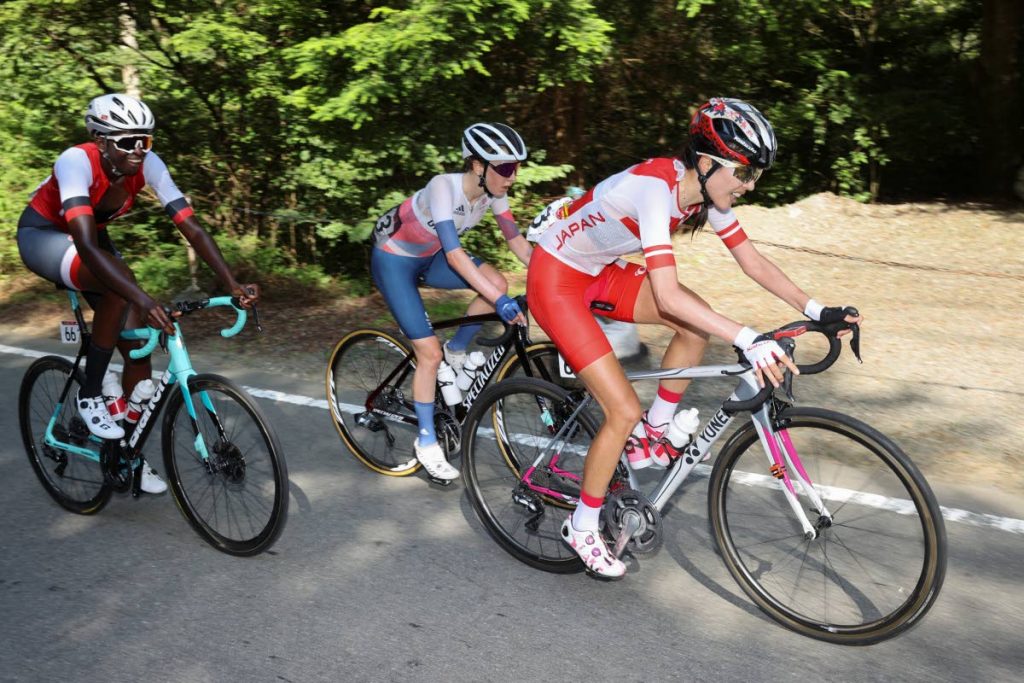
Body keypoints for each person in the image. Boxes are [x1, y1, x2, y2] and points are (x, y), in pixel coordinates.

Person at [526, 97, 862, 578]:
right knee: (621, 409)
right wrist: (747, 337)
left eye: (755, 177)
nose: (748, 186)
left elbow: (753, 262)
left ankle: (653, 436)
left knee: (695, 320)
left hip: (597, 270)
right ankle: (581, 527)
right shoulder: (653, 189)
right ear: (705, 163)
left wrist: (816, 309)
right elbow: (664, 292)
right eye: (743, 174)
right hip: (556, 279)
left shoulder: (704, 194)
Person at [17, 93, 259, 494]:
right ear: (100, 140)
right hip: (47, 236)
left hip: (92, 240)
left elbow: (192, 227)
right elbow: (87, 245)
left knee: (138, 347)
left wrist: (231, 282)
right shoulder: (76, 160)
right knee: (121, 288)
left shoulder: (148, 164)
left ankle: (126, 450)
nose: (138, 150)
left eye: (144, 140)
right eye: (127, 141)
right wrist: (144, 299)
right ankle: (91, 395)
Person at [371, 122, 532, 481]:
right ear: (478, 165)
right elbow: (456, 256)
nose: (513, 176)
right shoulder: (442, 187)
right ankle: (426, 441)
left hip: (430, 257)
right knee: (428, 353)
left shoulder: (494, 192)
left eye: (517, 167)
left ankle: (457, 352)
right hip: (394, 260)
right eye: (506, 168)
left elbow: (518, 243)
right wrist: (500, 301)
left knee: (496, 281)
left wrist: (554, 276)